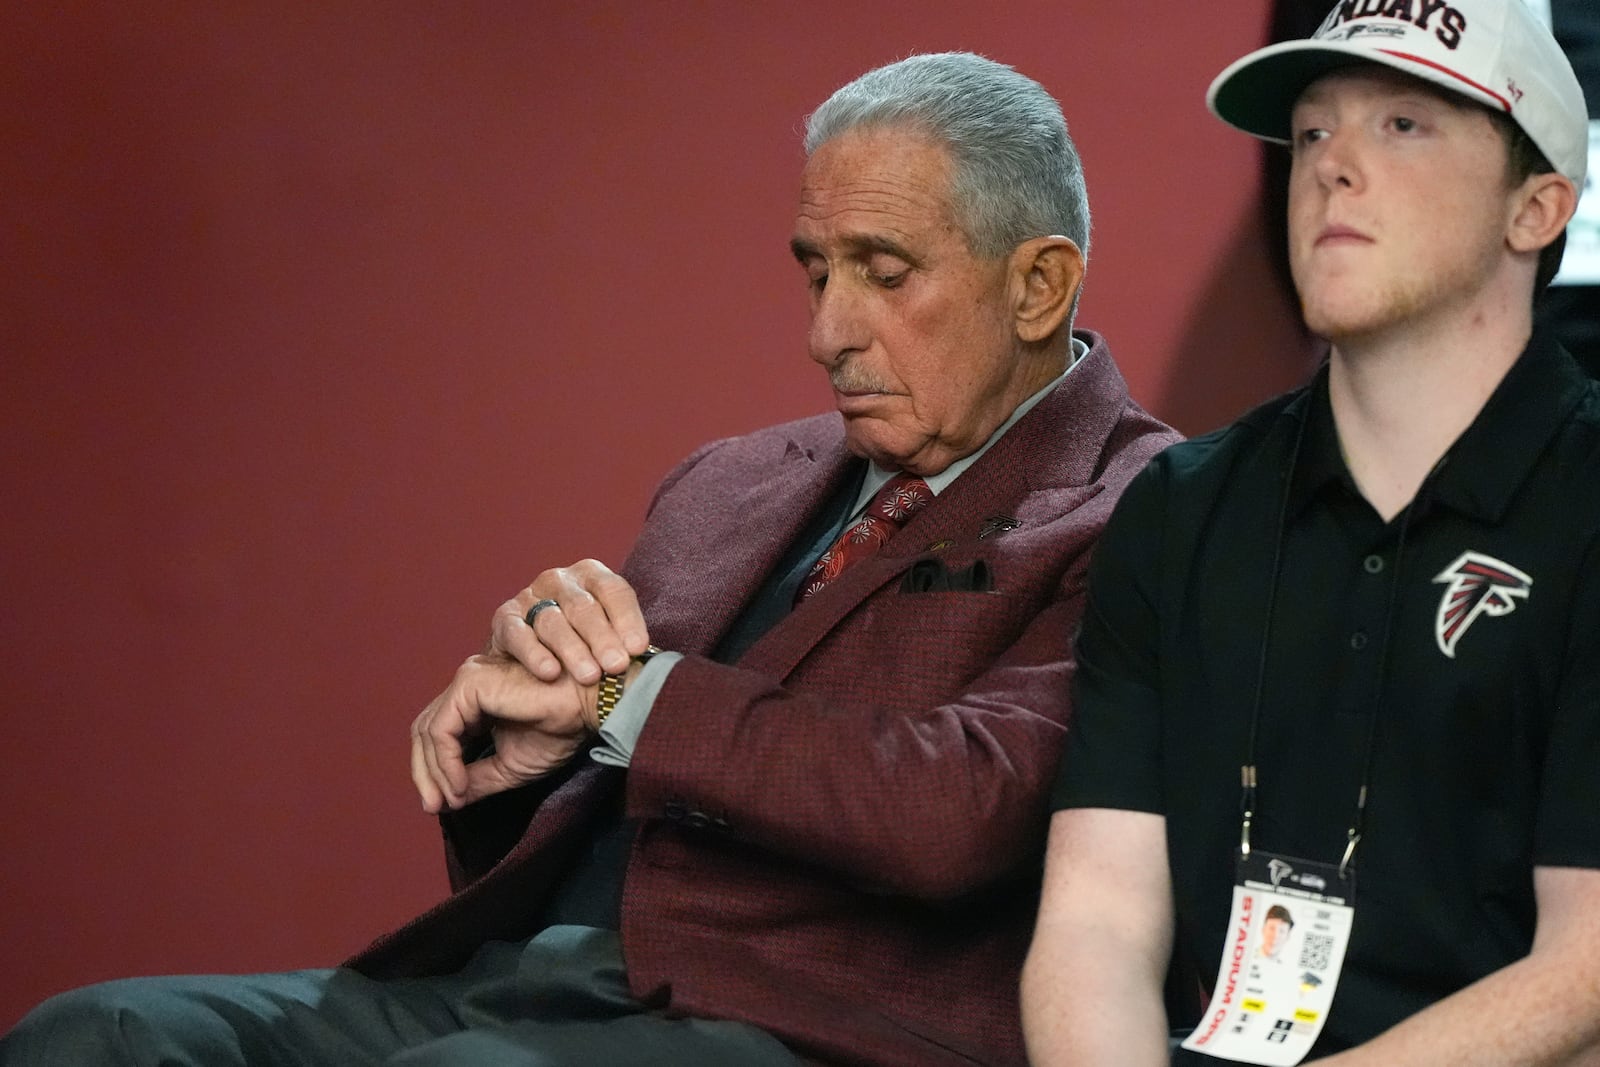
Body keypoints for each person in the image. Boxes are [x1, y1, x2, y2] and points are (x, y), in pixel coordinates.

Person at [1, 53, 1179, 1067]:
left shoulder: (1151, 506)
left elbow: (959, 810)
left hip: (799, 1026)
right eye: (815, 270)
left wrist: (623, 693)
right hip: (526, 982)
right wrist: (522, 755)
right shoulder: (729, 478)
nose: (826, 331)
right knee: (90, 1033)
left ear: (1037, 284)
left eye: (883, 270)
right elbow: (614, 775)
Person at [1021, 1, 1599, 1065]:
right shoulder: (1179, 505)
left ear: (1535, 208)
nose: (1331, 165)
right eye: (1314, 131)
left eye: (1402, 126)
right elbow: (1097, 917)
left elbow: (1586, 970)